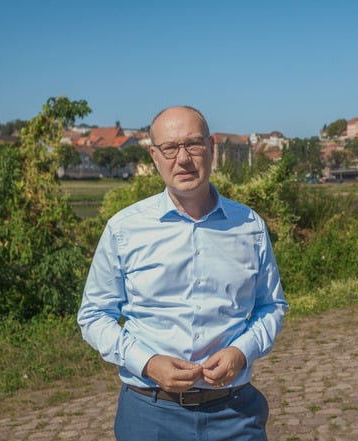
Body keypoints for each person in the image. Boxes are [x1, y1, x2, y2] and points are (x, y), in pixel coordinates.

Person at [77, 105, 288, 441]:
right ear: (154, 155)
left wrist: (242, 351)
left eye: (193, 144)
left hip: (234, 414)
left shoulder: (249, 226)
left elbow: (272, 306)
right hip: (149, 415)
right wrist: (147, 363)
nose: (183, 159)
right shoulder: (124, 229)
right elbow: (94, 316)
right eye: (170, 148)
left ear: (212, 148)